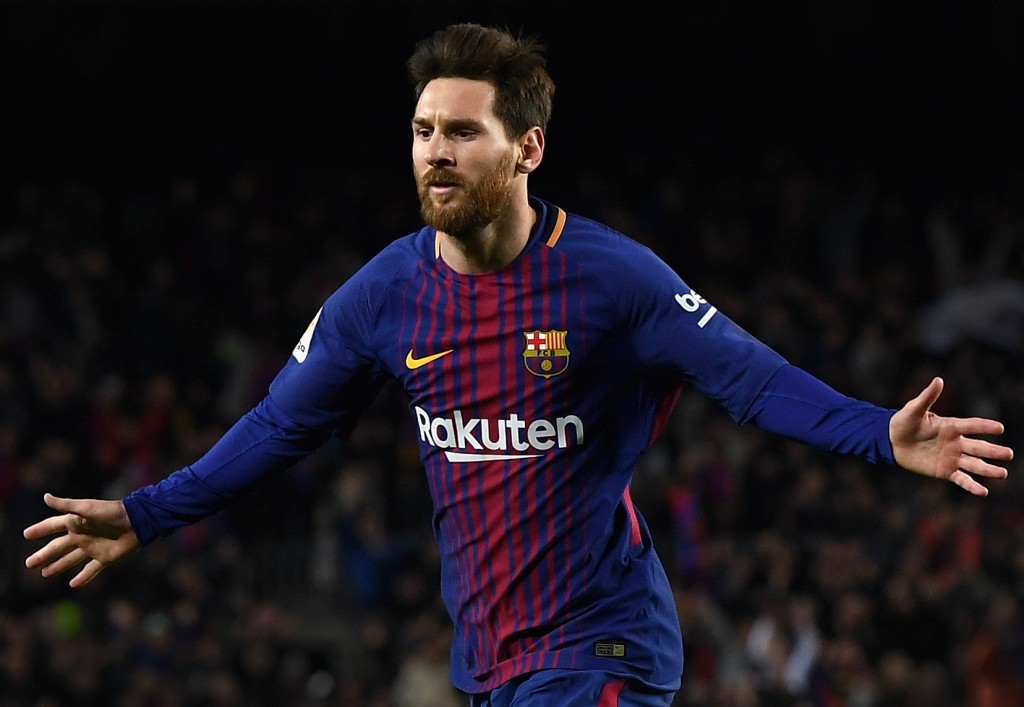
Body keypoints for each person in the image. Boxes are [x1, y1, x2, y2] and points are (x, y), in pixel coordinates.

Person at [23, 22, 1014, 707]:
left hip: (603, 643)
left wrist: (875, 433)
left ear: (527, 146)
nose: (433, 152)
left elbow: (750, 379)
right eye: (421, 131)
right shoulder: (380, 296)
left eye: (461, 130)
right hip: (489, 659)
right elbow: (285, 424)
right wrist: (148, 511)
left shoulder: (612, 280)